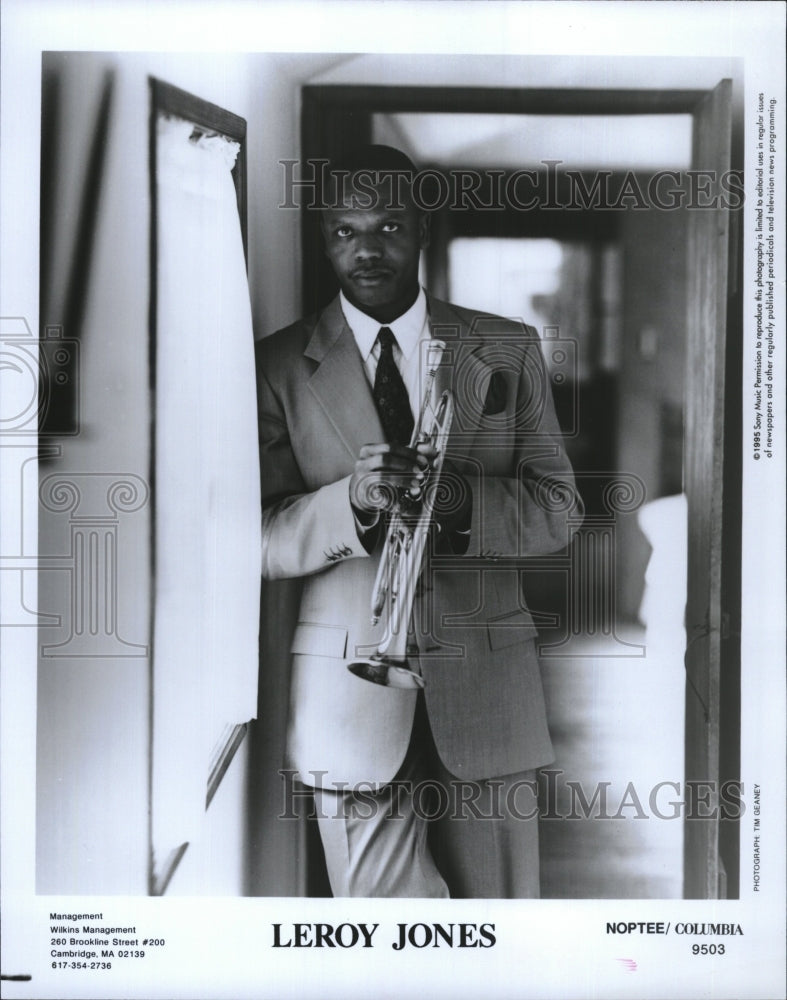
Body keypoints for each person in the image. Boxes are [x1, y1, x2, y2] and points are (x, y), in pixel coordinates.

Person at [255, 145, 581, 898]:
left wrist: (461, 502)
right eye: (343, 231)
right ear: (322, 236)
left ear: (422, 227)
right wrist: (352, 502)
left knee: (501, 935)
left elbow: (559, 512)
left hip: (488, 690)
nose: (365, 249)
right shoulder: (276, 366)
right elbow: (259, 539)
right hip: (348, 694)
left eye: (388, 225)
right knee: (377, 936)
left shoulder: (505, 347)